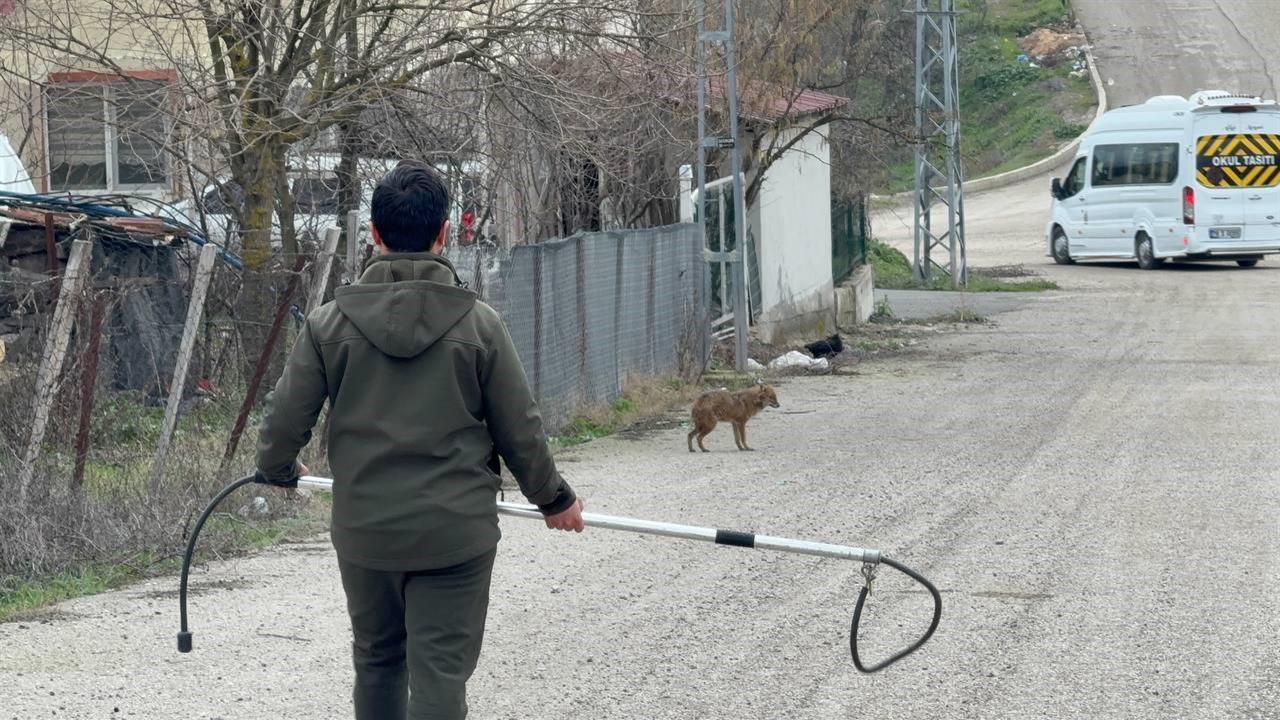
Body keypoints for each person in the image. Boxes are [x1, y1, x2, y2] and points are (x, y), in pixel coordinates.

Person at [255, 160, 585, 719]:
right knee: (440, 674)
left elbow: (284, 421)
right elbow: (519, 429)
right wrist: (554, 499)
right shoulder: (480, 325)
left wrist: (279, 469)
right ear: (444, 233)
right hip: (453, 536)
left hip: (367, 533)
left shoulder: (328, 325)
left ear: (374, 234)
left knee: (378, 662)